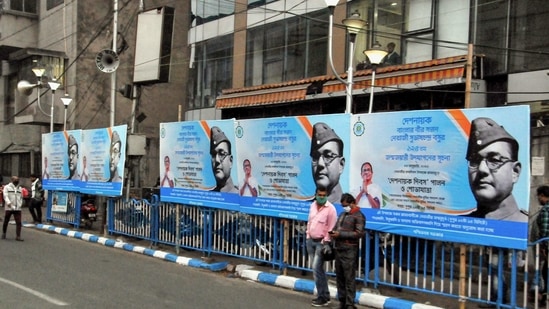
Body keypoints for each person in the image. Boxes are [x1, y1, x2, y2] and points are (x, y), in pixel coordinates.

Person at [466, 117, 527, 222]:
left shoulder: (529, 225)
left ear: (515, 172)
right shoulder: (458, 226)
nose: (482, 169)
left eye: (494, 160)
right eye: (475, 161)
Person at [330, 193, 365, 309]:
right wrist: (332, 233)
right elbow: (336, 227)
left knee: (349, 277)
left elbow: (358, 233)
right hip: (338, 248)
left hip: (349, 250)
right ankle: (342, 302)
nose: (344, 207)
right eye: (342, 205)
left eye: (346, 205)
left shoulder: (359, 216)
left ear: (352, 203)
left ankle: (350, 303)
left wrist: (341, 234)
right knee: (340, 277)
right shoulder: (342, 214)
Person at [306, 185, 337, 307]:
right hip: (311, 241)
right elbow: (309, 221)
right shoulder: (313, 206)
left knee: (316, 269)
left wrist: (326, 241)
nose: (322, 197)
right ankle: (325, 295)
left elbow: (331, 227)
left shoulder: (331, 209)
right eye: (320, 195)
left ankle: (321, 297)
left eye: (324, 195)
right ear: (316, 195)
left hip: (321, 243)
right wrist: (308, 235)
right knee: (319, 270)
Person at [310, 122, 345, 204]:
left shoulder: (346, 208)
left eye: (328, 156)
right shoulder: (309, 207)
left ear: (341, 165)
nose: (320, 164)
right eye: (315, 157)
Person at [210, 126, 238, 193]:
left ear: (230, 161)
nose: (217, 160)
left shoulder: (240, 195)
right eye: (213, 154)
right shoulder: (208, 197)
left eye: (222, 154)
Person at [536, 185, 549, 305]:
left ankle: (545, 298)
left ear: (542, 196)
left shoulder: (546, 209)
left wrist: (544, 246)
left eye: (538, 196)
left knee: (546, 272)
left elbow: (545, 230)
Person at [2, 176, 24, 241]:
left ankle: (18, 236)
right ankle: (4, 233)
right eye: (15, 179)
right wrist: (9, 203)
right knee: (6, 220)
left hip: (17, 208)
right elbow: (5, 196)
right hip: (9, 207)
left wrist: (20, 204)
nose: (17, 180)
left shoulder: (20, 188)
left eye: (18, 179)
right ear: (12, 180)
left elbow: (21, 197)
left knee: (19, 222)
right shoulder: (7, 187)